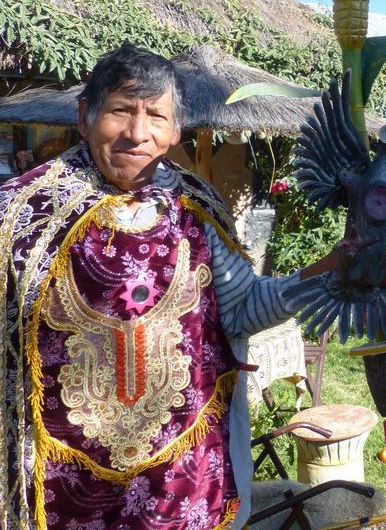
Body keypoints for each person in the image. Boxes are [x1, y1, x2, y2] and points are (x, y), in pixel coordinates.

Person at [0, 44, 334, 530]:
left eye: (156, 116)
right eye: (120, 111)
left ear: (176, 130)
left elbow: (241, 310)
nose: (138, 134)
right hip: (58, 489)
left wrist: (325, 272)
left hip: (179, 482)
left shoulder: (196, 206)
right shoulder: (21, 214)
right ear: (83, 116)